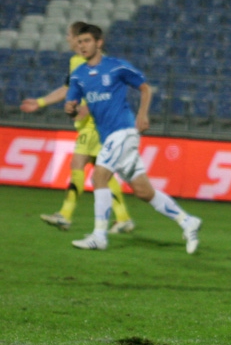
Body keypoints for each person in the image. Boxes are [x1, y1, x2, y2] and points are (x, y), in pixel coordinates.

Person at [64, 25, 202, 253]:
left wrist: (142, 114)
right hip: (108, 136)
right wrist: (71, 109)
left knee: (99, 176)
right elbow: (73, 108)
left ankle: (99, 236)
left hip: (124, 131)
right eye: (79, 42)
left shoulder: (116, 66)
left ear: (99, 43)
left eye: (87, 41)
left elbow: (145, 88)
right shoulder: (78, 75)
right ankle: (187, 221)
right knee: (143, 191)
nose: (82, 46)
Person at [21, 21, 134, 234]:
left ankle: (65, 215)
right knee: (101, 172)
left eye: (70, 35)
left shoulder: (91, 62)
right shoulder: (77, 61)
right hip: (93, 124)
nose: (68, 39)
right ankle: (123, 218)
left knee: (78, 164)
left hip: (94, 124)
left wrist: (88, 109)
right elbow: (68, 88)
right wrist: (40, 102)